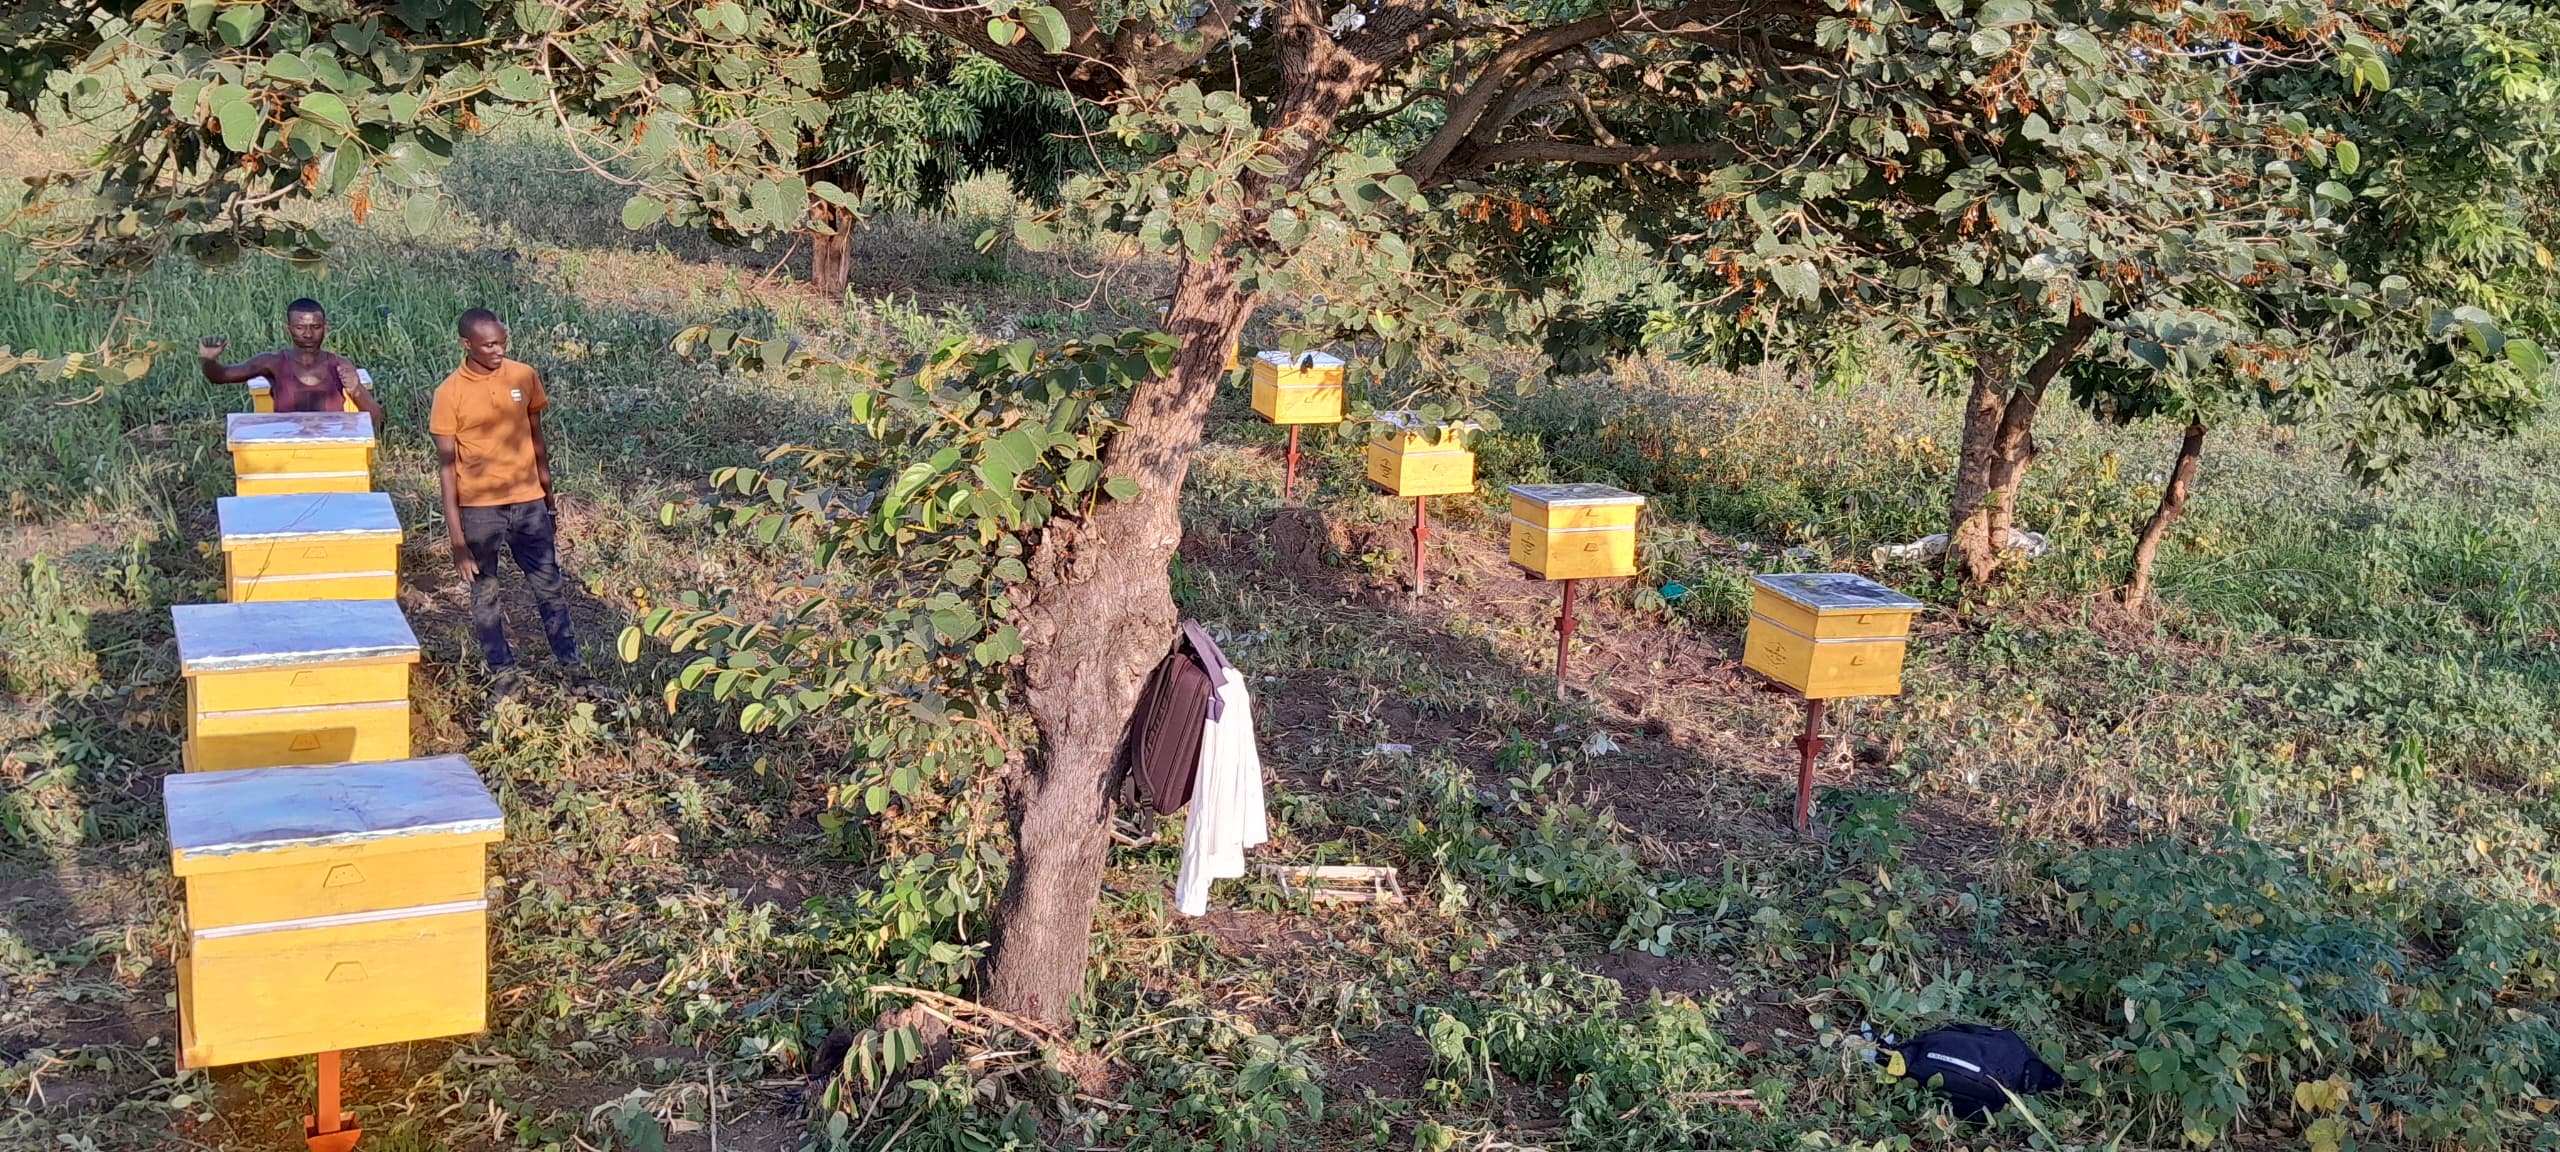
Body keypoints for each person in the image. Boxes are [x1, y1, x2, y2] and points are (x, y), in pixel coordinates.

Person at [430, 308, 589, 699]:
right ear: (467, 345)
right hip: (480, 511)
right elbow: (447, 471)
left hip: (529, 503)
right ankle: (504, 675)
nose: (498, 351)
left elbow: (537, 440)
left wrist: (549, 500)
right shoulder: (449, 393)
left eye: (502, 342)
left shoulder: (523, 376)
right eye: (489, 345)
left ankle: (574, 669)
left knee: (550, 587)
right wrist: (457, 543)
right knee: (485, 593)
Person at [198, 298, 385, 425]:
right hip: (286, 452)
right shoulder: (273, 363)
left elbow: (377, 420)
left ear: (325, 328)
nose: (308, 334)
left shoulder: (340, 365)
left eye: (316, 327)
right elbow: (220, 376)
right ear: (288, 329)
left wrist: (356, 390)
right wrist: (208, 360)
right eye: (300, 327)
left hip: (332, 451)